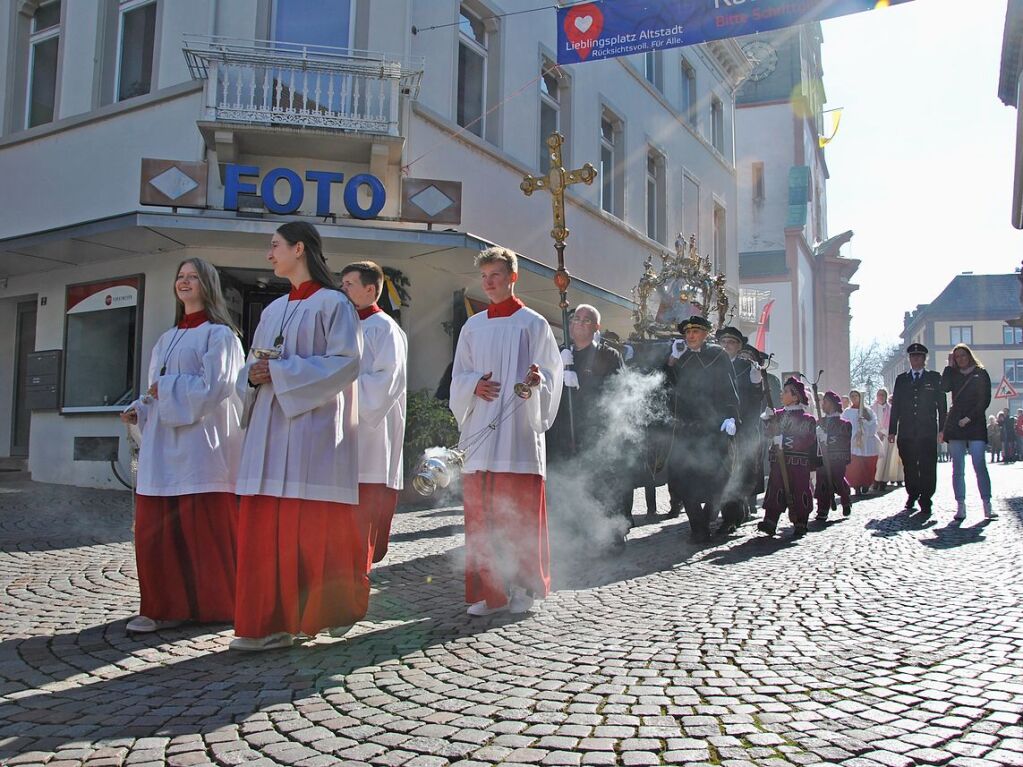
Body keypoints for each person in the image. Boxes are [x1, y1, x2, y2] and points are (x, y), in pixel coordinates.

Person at [231, 222, 364, 651]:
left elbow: (346, 364)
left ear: (299, 248)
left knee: (306, 529)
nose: (269, 255)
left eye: (274, 246)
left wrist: (283, 373)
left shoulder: (334, 304)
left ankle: (306, 616)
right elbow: (251, 368)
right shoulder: (272, 310)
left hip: (312, 433)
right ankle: (267, 621)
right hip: (271, 432)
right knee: (268, 528)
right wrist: (251, 377)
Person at [120, 258, 245, 634]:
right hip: (163, 448)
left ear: (207, 284)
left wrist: (167, 389)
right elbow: (154, 390)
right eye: (180, 277)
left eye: (192, 277)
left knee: (202, 531)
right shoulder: (166, 338)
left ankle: (216, 605)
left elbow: (216, 389)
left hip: (200, 447)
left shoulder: (219, 335)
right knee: (155, 531)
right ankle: (163, 606)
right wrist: (140, 409)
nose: (184, 282)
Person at [449, 247, 563, 616]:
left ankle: (524, 590)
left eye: (496, 275)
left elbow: (550, 374)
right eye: (484, 277)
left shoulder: (534, 324)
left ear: (513, 277)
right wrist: (472, 387)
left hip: (517, 434)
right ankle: (490, 592)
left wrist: (537, 381)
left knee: (520, 513)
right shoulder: (473, 325)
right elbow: (459, 376)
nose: (489, 282)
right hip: (480, 431)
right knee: (483, 515)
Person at [546, 304, 631, 551]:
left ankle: (610, 537)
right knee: (566, 486)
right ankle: (573, 539)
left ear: (596, 328)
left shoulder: (608, 356)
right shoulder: (559, 354)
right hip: (562, 433)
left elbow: (617, 394)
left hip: (595, 434)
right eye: (575, 319)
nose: (579, 323)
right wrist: (558, 374)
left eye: (586, 320)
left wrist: (580, 385)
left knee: (599, 488)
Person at [341, 260, 408, 568]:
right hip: (339, 432)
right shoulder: (343, 326)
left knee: (362, 515)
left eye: (349, 285)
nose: (343, 290)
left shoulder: (386, 330)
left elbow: (386, 382)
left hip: (371, 436)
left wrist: (337, 384)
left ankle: (357, 572)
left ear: (370, 289)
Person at [666, 315, 739, 543]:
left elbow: (730, 385)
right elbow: (670, 389)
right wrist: (670, 364)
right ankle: (698, 527)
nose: (690, 336)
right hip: (688, 429)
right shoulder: (682, 359)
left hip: (714, 426)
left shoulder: (718, 355)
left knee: (716, 478)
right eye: (687, 333)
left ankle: (708, 518)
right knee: (685, 479)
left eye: (695, 332)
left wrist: (731, 416)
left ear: (705, 334)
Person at [716, 327, 764, 536]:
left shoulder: (746, 367)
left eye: (731, 342)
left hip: (742, 428)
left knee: (737, 472)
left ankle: (730, 518)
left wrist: (756, 384)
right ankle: (735, 510)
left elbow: (756, 400)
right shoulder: (715, 365)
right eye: (724, 342)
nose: (726, 346)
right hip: (720, 426)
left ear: (739, 346)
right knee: (723, 473)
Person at [888, 343, 946, 516]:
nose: (916, 359)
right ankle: (912, 493)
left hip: (927, 431)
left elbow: (942, 407)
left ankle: (926, 498)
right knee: (909, 466)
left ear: (924, 359)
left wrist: (942, 430)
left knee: (928, 466)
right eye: (913, 357)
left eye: (919, 357)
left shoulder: (934, 378)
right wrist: (892, 430)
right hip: (906, 432)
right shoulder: (901, 379)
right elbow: (896, 406)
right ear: (909, 359)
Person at [757, 377, 817, 539]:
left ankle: (801, 522)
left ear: (796, 396)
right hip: (778, 461)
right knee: (775, 488)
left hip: (798, 463)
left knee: (799, 489)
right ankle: (770, 521)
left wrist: (785, 441)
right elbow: (768, 432)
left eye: (785, 392)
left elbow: (807, 438)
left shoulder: (807, 419)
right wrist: (767, 420)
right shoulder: (777, 415)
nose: (781, 395)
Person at [942, 343, 993, 521]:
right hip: (956, 424)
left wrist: (969, 418)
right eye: (957, 357)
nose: (960, 359)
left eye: (963, 355)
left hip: (976, 423)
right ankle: (960, 505)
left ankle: (987, 504)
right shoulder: (953, 374)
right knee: (958, 468)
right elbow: (945, 387)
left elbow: (984, 400)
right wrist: (948, 367)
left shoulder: (980, 373)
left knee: (979, 464)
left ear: (969, 355)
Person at [814, 390, 852, 519]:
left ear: (833, 404)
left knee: (837, 479)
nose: (822, 405)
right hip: (822, 458)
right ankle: (822, 508)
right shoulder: (820, 422)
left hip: (837, 458)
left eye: (825, 402)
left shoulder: (844, 424)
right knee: (822, 482)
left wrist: (828, 438)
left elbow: (843, 440)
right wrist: (817, 434)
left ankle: (845, 500)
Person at [844, 390, 878, 496]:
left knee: (867, 463)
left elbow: (874, 424)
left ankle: (866, 483)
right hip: (854, 442)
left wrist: (865, 422)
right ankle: (856, 485)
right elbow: (844, 425)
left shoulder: (868, 411)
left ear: (859, 397)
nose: (854, 398)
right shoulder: (847, 412)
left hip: (866, 441)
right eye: (852, 396)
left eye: (856, 396)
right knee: (855, 465)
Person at [872, 388, 903, 489]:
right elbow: (870, 422)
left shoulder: (891, 409)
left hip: (886, 436)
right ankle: (875, 480)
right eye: (879, 394)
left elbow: (893, 423)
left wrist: (884, 432)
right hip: (875, 436)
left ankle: (883, 480)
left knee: (885, 459)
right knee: (876, 460)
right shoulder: (872, 408)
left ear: (885, 396)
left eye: (883, 395)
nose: (880, 397)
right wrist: (877, 432)